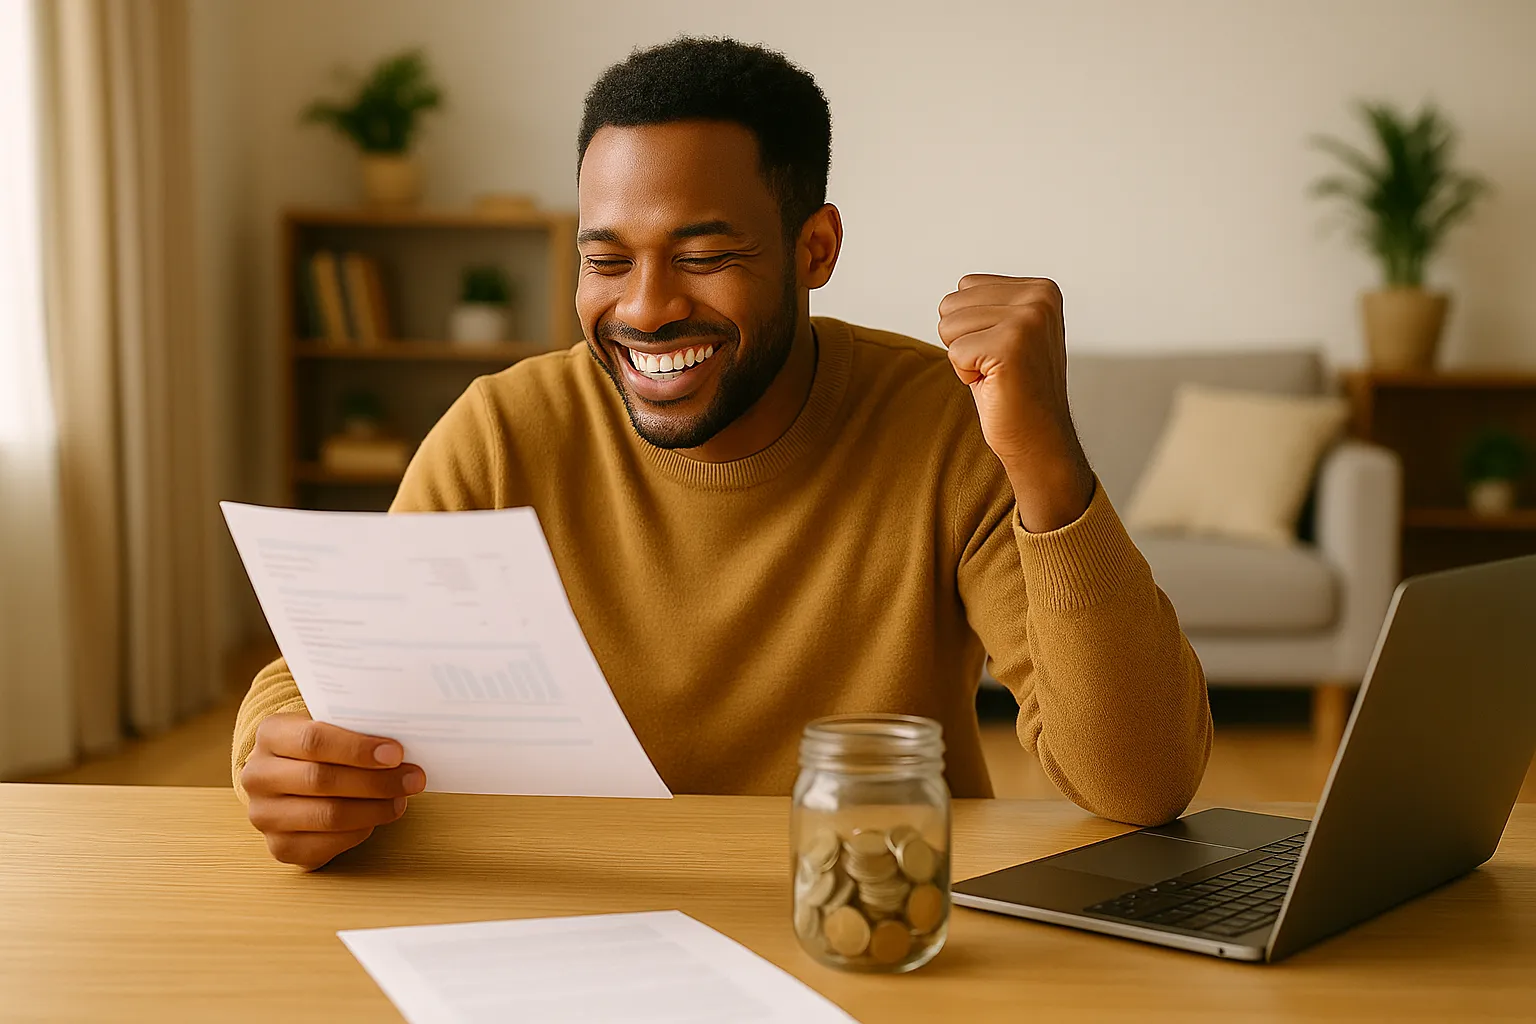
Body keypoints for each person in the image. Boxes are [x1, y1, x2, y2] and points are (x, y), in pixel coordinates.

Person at [234, 37, 1211, 870]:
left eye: (704, 256)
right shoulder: (505, 430)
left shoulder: (942, 424)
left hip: (873, 906)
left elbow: (1140, 781)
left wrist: (1044, 453)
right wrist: (277, 754)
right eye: (606, 258)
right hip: (575, 912)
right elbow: (331, 676)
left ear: (815, 249)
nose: (647, 307)